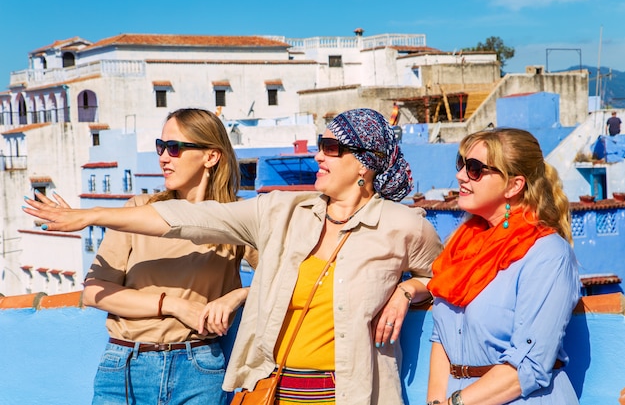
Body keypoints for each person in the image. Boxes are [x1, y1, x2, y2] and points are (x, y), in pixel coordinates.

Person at [24, 108, 443, 405]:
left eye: (331, 147)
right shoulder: (283, 211)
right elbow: (188, 219)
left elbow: (444, 278)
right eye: (319, 144)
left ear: (364, 163)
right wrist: (91, 214)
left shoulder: (403, 225)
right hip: (271, 389)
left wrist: (408, 289)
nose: (318, 154)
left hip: (345, 391)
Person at [77, 108, 250, 405]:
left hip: (199, 367)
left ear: (211, 156)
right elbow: (93, 293)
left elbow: (285, 277)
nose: (163, 157)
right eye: (161, 146)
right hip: (125, 365)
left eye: (174, 148)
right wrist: (173, 306)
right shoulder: (138, 210)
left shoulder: (238, 218)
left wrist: (237, 296)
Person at [425, 128, 580, 405]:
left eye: (475, 169)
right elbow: (442, 335)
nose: (461, 175)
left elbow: (529, 365)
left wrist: (454, 404)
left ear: (513, 185)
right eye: (461, 164)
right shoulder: (460, 247)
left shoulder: (546, 254)